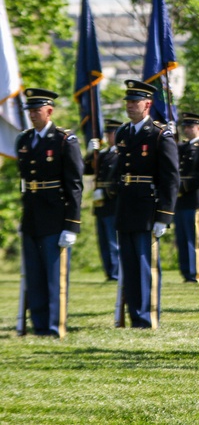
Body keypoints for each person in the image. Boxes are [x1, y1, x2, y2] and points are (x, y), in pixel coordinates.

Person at [16, 88, 83, 336]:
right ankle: (39, 324)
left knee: (54, 277)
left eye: (37, 110)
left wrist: (72, 224)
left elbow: (75, 185)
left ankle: (55, 326)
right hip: (32, 215)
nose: (32, 115)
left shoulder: (64, 140)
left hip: (55, 216)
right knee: (35, 276)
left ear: (49, 111)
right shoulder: (24, 139)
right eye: (30, 110)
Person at [113, 80, 179, 329]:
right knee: (129, 265)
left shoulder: (160, 134)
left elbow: (171, 177)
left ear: (148, 104)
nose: (130, 106)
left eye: (135, 102)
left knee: (144, 265)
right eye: (128, 102)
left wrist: (164, 215)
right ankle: (131, 315)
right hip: (126, 205)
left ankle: (145, 317)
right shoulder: (123, 133)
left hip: (147, 207)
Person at [175, 112, 199, 283]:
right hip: (179, 201)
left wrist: (183, 187)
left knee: (193, 238)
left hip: (193, 199)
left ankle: (195, 273)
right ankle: (185, 273)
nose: (187, 129)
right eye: (185, 126)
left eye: (190, 126)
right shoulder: (180, 147)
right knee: (181, 239)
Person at [85, 119, 122, 281]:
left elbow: (121, 180)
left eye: (111, 133)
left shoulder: (121, 154)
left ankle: (116, 272)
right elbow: (86, 169)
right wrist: (89, 154)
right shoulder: (103, 154)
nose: (108, 136)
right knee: (104, 241)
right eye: (107, 133)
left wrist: (106, 193)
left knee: (113, 241)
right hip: (100, 204)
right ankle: (109, 271)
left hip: (113, 202)